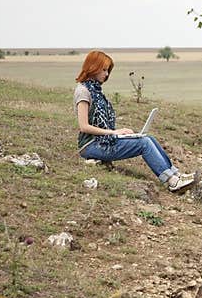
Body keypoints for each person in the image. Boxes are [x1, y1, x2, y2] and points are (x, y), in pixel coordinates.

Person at [74, 50, 195, 193]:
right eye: (104, 70)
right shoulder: (83, 91)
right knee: (143, 144)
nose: (106, 75)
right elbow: (84, 126)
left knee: (147, 138)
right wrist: (114, 132)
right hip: (90, 145)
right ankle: (171, 182)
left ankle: (176, 174)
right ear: (93, 67)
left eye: (108, 71)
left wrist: (120, 135)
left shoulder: (96, 91)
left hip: (102, 140)